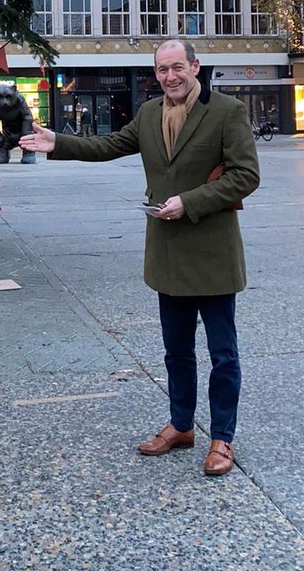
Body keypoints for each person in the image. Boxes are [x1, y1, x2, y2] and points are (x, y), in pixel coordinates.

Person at [20, 39, 259, 477]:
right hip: (167, 253)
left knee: (223, 353)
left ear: (195, 66)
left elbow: (246, 175)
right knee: (176, 352)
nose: (170, 76)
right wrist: (58, 142)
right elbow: (109, 145)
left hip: (213, 253)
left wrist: (189, 201)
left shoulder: (227, 111)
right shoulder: (149, 114)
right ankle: (182, 426)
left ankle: (222, 437)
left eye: (177, 68)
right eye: (162, 70)